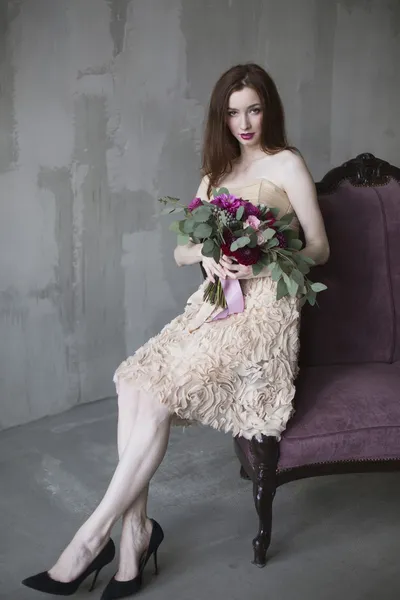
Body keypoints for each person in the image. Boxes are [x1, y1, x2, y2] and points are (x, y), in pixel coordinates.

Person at [22, 63, 330, 599]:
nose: (244, 122)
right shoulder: (217, 173)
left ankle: (91, 538)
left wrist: (260, 261)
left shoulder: (287, 164)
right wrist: (209, 256)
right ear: (221, 117)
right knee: (133, 379)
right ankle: (136, 533)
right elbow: (181, 248)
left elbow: (320, 248)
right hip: (213, 304)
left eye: (253, 109)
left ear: (269, 108)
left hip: (263, 316)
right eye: (233, 113)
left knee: (159, 394)